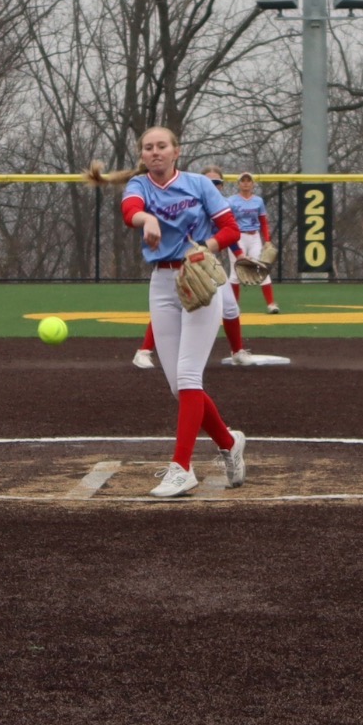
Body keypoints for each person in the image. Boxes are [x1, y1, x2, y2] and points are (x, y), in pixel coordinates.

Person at [90, 129, 248, 498]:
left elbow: (230, 229)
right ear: (142, 155)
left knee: (189, 377)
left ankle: (182, 469)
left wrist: (204, 247)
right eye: (149, 147)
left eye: (162, 146)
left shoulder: (198, 184)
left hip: (199, 278)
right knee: (180, 387)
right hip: (162, 284)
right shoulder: (139, 186)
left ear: (177, 151)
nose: (155, 152)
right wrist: (147, 221)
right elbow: (130, 211)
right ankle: (228, 442)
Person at [131, 166, 265, 369]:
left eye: (217, 183)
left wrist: (240, 256)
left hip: (208, 265)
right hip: (183, 265)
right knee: (171, 307)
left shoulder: (221, 205)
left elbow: (229, 232)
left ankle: (237, 352)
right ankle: (144, 351)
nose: (214, 186)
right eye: (209, 182)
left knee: (230, 307)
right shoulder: (191, 203)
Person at [227, 173, 279, 314]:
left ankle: (271, 304)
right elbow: (227, 221)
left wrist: (267, 239)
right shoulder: (231, 201)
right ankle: (234, 307)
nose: (245, 183)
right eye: (242, 181)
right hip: (238, 237)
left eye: (248, 181)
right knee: (236, 271)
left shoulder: (258, 201)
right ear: (238, 184)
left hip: (254, 236)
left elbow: (263, 221)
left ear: (252, 184)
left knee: (262, 269)